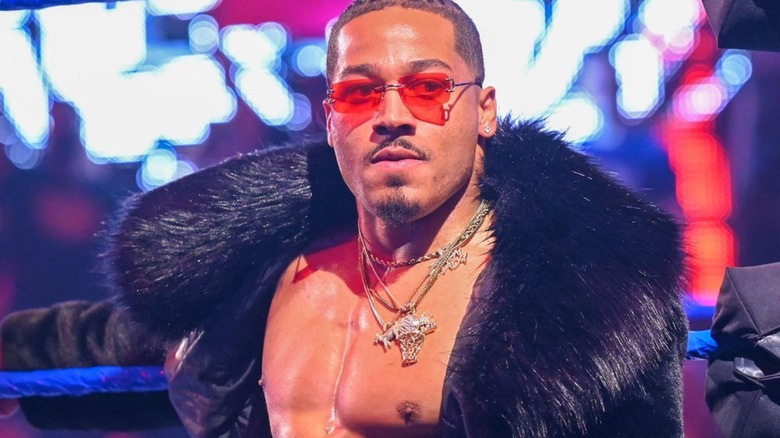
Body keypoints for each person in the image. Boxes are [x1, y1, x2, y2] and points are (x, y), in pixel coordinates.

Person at [1, 0, 688, 436]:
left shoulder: (582, 300)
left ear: (484, 112)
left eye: (427, 88)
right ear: (330, 120)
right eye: (360, 94)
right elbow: (128, 348)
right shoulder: (274, 264)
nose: (392, 115)